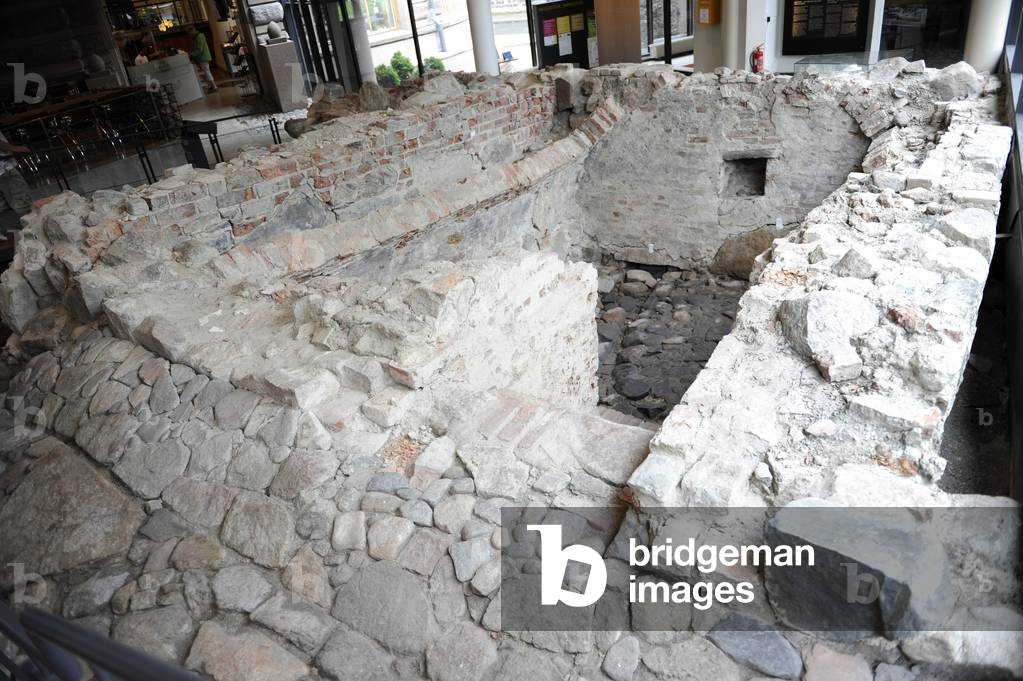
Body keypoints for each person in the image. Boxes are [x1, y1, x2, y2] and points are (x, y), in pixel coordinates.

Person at [186, 25, 218, 93]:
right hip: (204, 56)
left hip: (203, 57)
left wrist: (191, 54)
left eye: (189, 33)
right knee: (206, 71)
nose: (189, 35)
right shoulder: (198, 36)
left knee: (206, 72)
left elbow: (199, 49)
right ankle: (212, 86)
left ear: (192, 31)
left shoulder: (199, 37)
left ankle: (214, 87)